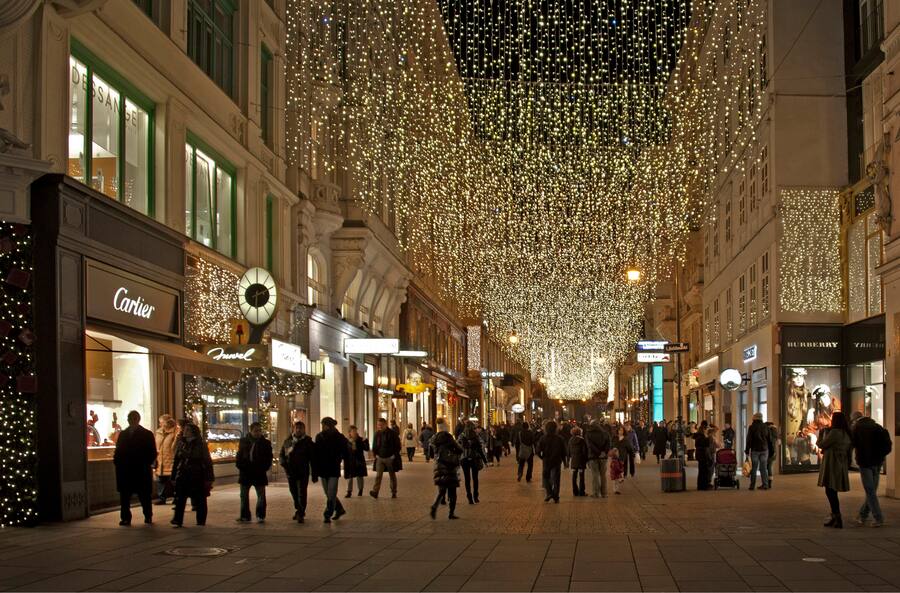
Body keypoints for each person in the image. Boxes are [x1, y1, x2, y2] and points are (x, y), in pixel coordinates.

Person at [113, 411, 157, 526]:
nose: (130, 421)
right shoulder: (123, 434)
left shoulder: (146, 434)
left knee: (144, 495)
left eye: (132, 418)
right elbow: (118, 450)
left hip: (140, 469)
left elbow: (152, 452)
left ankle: (148, 515)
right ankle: (125, 518)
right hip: (126, 470)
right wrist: (117, 462)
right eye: (129, 418)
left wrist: (145, 463)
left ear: (137, 419)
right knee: (125, 496)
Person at [852, 412, 892, 527]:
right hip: (877, 463)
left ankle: (878, 518)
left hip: (865, 463)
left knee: (870, 491)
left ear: (855, 419)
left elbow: (852, 444)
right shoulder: (877, 427)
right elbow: (888, 445)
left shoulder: (857, 428)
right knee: (872, 491)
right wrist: (880, 457)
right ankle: (862, 515)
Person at [170, 422, 214, 527]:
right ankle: (177, 519)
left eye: (187, 430)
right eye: (184, 429)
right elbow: (176, 460)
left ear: (193, 432)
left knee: (200, 498)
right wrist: (173, 475)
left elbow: (207, 461)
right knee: (180, 498)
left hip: (196, 474)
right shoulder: (182, 443)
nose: (185, 431)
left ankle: (201, 520)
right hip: (183, 473)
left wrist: (209, 477)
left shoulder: (200, 444)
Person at [819, 412, 853, 529]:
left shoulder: (835, 433)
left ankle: (837, 517)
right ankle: (835, 517)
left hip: (832, 463)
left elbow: (822, 444)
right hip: (841, 463)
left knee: (830, 490)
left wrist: (821, 434)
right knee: (832, 490)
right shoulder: (846, 433)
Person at [235, 422, 273, 523]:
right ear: (251, 431)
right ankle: (245, 515)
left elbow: (269, 458)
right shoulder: (244, 441)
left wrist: (264, 467)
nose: (258, 433)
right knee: (244, 496)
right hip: (246, 472)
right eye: (256, 431)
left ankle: (260, 515)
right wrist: (240, 465)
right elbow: (239, 455)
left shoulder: (265, 443)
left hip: (259, 473)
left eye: (260, 431)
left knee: (261, 496)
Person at [312, 417, 348, 523]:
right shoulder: (319, 436)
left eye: (324, 424)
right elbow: (316, 454)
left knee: (331, 492)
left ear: (329, 425)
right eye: (322, 424)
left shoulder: (339, 437)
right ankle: (339, 509)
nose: (323, 426)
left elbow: (345, 452)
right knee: (328, 493)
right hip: (323, 469)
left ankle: (327, 514)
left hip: (333, 469)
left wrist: (340, 460)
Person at [279, 420, 314, 523]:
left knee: (302, 492)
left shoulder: (308, 442)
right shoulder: (288, 441)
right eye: (297, 428)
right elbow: (282, 454)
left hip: (303, 471)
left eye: (301, 428)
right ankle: (299, 509)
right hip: (290, 471)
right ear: (293, 429)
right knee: (293, 491)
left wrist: (314, 472)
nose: (298, 430)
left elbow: (313, 458)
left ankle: (300, 513)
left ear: (304, 430)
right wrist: (284, 464)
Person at [430, 418, 463, 520]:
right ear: (445, 426)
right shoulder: (448, 437)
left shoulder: (434, 437)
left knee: (442, 490)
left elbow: (431, 453)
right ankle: (451, 513)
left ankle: (434, 506)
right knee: (452, 491)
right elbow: (459, 449)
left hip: (439, 466)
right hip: (449, 466)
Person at [370, 417, 401, 499]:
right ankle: (375, 492)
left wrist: (394, 455)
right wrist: (375, 454)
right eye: (378, 425)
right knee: (378, 475)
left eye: (381, 425)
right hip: (380, 457)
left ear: (385, 424)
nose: (379, 426)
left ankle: (393, 492)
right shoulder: (377, 434)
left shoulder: (392, 433)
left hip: (390, 458)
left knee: (392, 475)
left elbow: (398, 445)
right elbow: (374, 445)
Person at [458, 421, 488, 504]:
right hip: (474, 458)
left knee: (467, 479)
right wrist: (485, 461)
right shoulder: (476, 436)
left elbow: (458, 448)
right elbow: (480, 449)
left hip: (464, 459)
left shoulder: (461, 436)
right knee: (475, 478)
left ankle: (469, 497)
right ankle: (476, 496)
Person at [537, 420, 566, 503]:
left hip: (546, 460)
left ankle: (549, 492)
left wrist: (542, 457)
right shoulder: (560, 438)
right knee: (556, 479)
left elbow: (538, 450)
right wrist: (565, 461)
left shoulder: (543, 438)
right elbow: (563, 451)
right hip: (557, 460)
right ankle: (555, 496)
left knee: (546, 477)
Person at [154, 415, 177, 506]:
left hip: (171, 460)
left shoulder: (175, 432)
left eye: (161, 422)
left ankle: (177, 497)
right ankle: (161, 498)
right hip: (160, 460)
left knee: (173, 481)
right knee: (161, 480)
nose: (160, 424)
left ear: (167, 423)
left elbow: (175, 446)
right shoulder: (158, 432)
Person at [585, 419, 611, 498]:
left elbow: (590, 446)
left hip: (593, 457)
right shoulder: (605, 433)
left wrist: (598, 453)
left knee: (595, 475)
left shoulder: (588, 434)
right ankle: (604, 493)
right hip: (603, 457)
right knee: (603, 475)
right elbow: (609, 444)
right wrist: (604, 452)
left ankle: (596, 493)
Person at [744, 413, 770, 490]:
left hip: (755, 450)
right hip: (764, 450)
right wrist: (771, 450)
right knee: (763, 468)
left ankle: (752, 485)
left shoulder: (752, 427)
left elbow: (749, 440)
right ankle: (765, 484)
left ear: (754, 418)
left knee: (754, 468)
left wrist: (747, 450)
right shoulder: (766, 426)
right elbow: (769, 439)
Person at [344, 425, 369, 497]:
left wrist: (365, 441)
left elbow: (366, 449)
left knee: (360, 476)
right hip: (349, 461)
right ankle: (349, 492)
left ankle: (360, 490)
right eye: (353, 431)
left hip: (359, 460)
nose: (355, 432)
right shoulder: (346, 441)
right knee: (349, 477)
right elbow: (344, 451)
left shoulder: (361, 439)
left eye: (355, 431)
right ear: (349, 433)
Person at [569, 426, 588, 496]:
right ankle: (582, 491)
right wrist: (586, 460)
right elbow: (584, 451)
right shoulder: (582, 440)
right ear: (579, 432)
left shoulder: (570, 440)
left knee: (574, 476)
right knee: (581, 476)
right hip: (581, 461)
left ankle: (575, 491)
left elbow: (569, 451)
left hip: (574, 460)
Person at [695, 426, 712, 490]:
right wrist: (708, 437)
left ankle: (700, 485)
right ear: (703, 430)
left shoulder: (698, 436)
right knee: (704, 471)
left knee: (701, 471)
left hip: (700, 455)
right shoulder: (702, 437)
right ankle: (703, 486)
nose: (706, 431)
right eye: (705, 430)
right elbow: (707, 444)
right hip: (703, 455)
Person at [764, 421, 779, 488]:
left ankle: (767, 482)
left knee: (766, 467)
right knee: (769, 466)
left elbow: (770, 443)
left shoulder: (769, 431)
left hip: (769, 451)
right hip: (774, 451)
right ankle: (769, 481)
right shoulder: (775, 431)